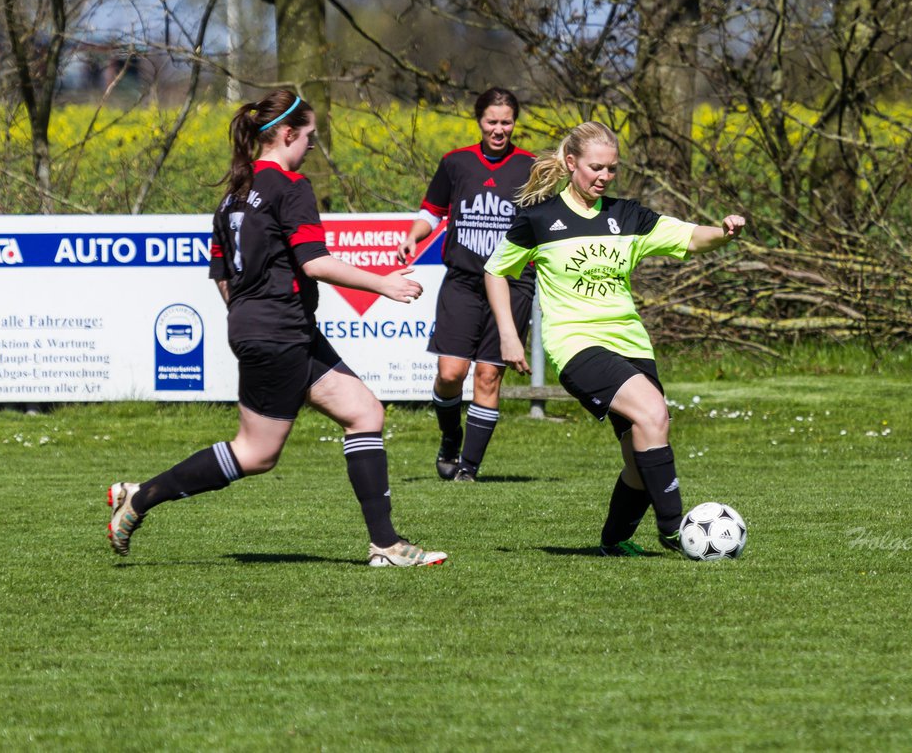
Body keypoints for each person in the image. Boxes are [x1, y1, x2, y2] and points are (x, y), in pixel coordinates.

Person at [108, 89, 448, 567]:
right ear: (287, 133)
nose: (312, 145)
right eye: (309, 136)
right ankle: (141, 498)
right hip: (280, 331)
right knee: (256, 453)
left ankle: (386, 546)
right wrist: (383, 285)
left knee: (365, 412)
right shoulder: (291, 187)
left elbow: (222, 276)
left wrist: (250, 318)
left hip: (269, 327)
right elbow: (314, 264)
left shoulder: (233, 194)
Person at [483, 121, 745, 556]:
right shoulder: (539, 220)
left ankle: (615, 539)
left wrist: (724, 232)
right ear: (571, 164)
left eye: (612, 169)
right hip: (575, 343)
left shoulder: (628, 217)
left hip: (631, 343)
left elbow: (690, 236)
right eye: (595, 167)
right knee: (652, 411)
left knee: (642, 452)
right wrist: (509, 336)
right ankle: (676, 530)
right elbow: (496, 271)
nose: (604, 176)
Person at [397, 87, 537, 482]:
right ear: (479, 121)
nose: (499, 129)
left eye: (506, 122)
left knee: (489, 376)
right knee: (451, 373)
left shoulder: (530, 167)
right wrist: (415, 234)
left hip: (512, 286)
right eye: (492, 121)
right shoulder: (456, 163)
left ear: (515, 123)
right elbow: (432, 209)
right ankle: (449, 437)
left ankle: (468, 469)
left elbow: (545, 221)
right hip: (462, 281)